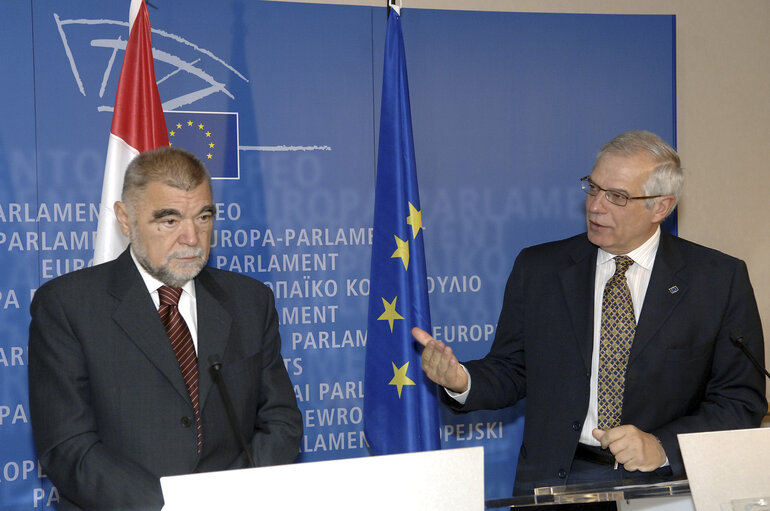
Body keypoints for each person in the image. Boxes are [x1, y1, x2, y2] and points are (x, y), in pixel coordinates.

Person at [414, 130, 767, 497]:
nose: (596, 206)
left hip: (663, 484)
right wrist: (462, 380)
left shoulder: (717, 280)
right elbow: (512, 368)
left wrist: (662, 446)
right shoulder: (540, 269)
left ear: (661, 207)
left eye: (617, 196)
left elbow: (739, 402)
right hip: (556, 479)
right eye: (593, 188)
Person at [28, 147, 302, 510]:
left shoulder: (250, 301)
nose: (192, 237)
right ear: (125, 220)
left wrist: (234, 499)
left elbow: (280, 421)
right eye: (169, 220)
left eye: (203, 217)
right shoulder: (68, 306)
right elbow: (68, 447)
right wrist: (171, 506)